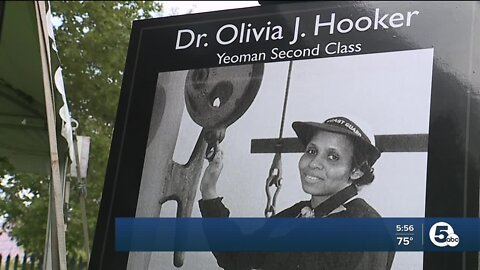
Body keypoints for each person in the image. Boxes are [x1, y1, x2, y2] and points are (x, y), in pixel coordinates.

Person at [198, 116, 395, 270]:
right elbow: (235, 257)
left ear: (356, 171)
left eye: (333, 157)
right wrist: (209, 190)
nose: (314, 163)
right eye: (311, 151)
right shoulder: (299, 214)